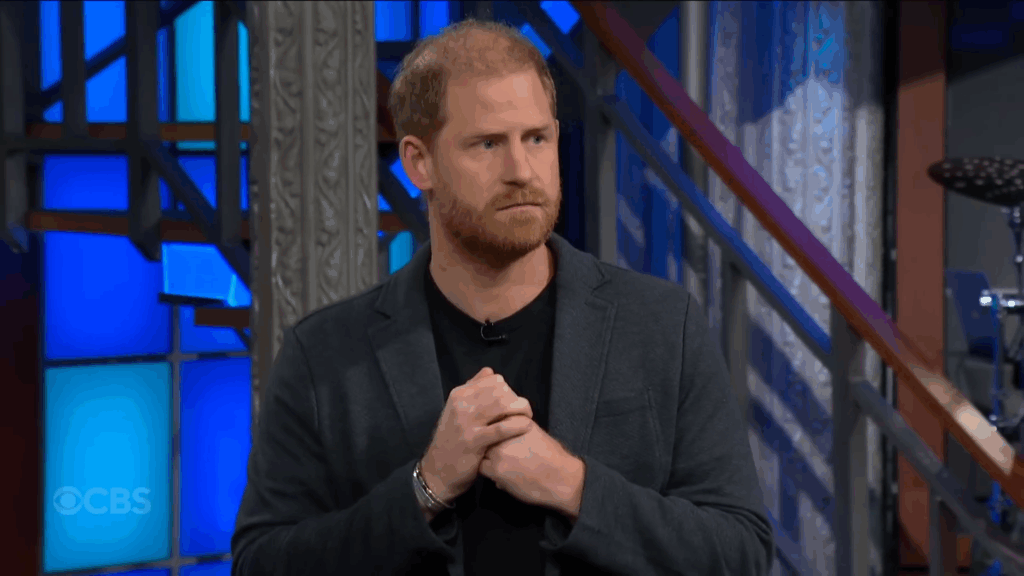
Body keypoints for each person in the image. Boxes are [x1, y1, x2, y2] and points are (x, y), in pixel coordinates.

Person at [231, 18, 773, 576]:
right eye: (487, 144)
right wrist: (426, 487)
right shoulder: (324, 353)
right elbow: (260, 564)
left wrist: (572, 486)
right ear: (419, 162)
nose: (521, 171)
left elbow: (741, 554)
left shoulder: (662, 325)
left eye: (536, 139)